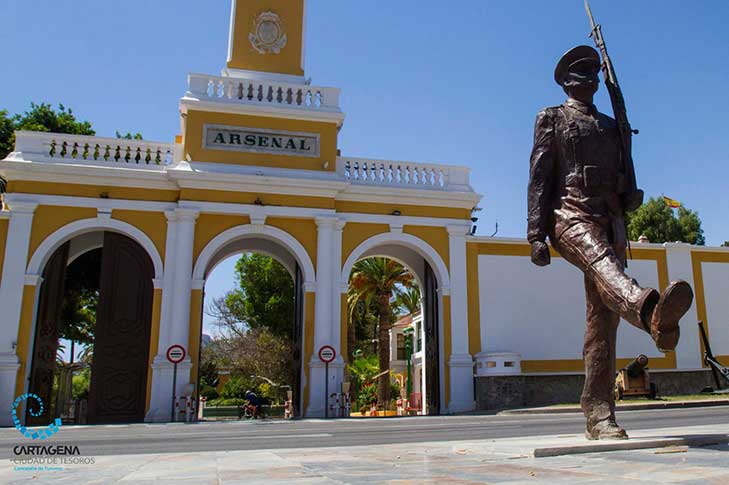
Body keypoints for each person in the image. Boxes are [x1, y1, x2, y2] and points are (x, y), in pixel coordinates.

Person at [528, 45, 694, 440]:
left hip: (610, 219)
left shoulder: (609, 126)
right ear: (567, 81)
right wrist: (536, 233)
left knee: (601, 323)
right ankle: (650, 311)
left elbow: (621, 178)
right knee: (603, 263)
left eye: (594, 73)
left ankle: (599, 413)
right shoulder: (551, 118)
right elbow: (538, 177)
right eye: (583, 73)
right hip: (569, 216)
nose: (591, 79)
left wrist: (628, 194)